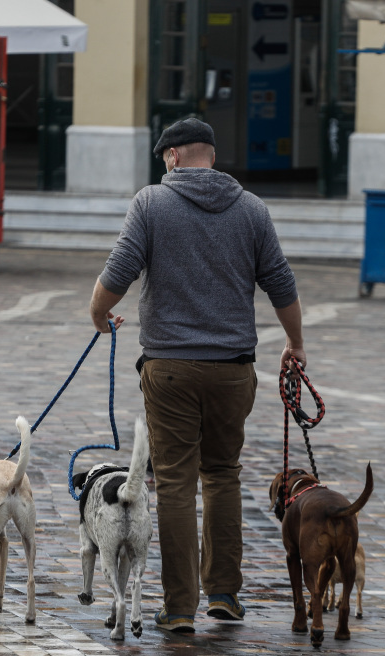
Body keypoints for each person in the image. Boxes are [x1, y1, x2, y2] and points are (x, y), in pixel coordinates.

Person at [88, 118, 305, 633]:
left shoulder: (151, 203)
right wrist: (296, 343)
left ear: (173, 157)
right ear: (210, 154)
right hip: (233, 370)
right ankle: (225, 594)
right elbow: (281, 283)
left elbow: (118, 272)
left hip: (169, 370)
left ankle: (179, 606)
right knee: (224, 474)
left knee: (177, 484)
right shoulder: (252, 209)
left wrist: (98, 315)